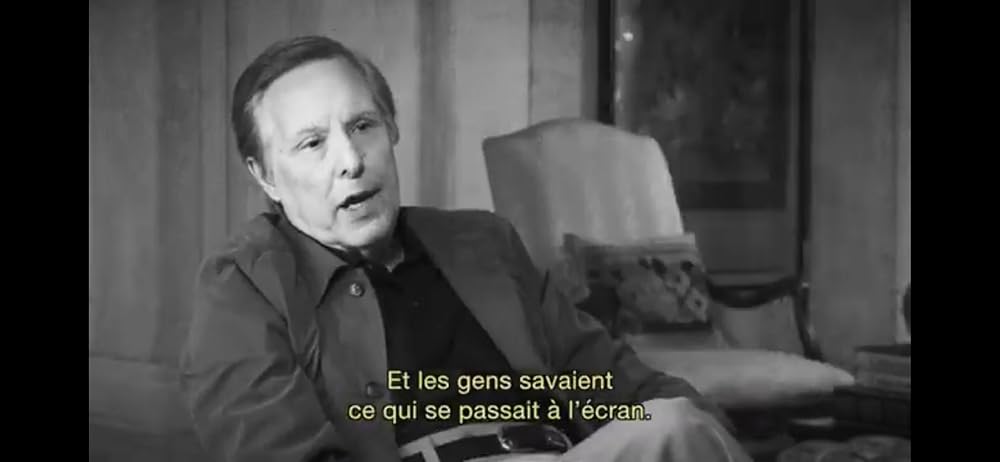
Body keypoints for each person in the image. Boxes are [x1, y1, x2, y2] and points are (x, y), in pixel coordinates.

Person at [180, 35, 752, 462]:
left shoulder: (484, 242)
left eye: (362, 126)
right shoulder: (244, 284)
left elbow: (608, 380)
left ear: (392, 130)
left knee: (675, 421)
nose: (350, 161)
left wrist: (707, 427)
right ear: (266, 176)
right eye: (312, 144)